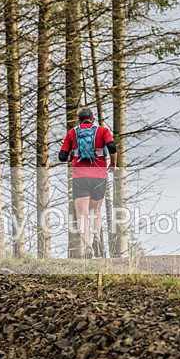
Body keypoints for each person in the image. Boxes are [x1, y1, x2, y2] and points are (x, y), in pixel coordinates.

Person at [59, 108, 117, 258]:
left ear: (79, 120)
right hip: (99, 177)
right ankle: (97, 239)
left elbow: (62, 156)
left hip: (80, 178)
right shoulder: (103, 131)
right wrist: (113, 163)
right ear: (93, 119)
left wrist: (71, 156)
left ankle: (87, 246)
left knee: (82, 215)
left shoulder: (72, 133)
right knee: (96, 211)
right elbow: (112, 147)